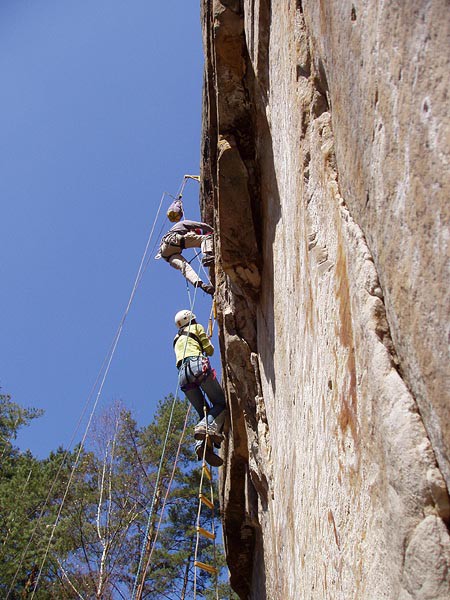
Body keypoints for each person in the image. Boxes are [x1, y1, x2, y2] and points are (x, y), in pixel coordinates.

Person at [173, 309, 226, 467]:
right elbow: (209, 350)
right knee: (220, 404)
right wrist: (207, 342)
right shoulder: (196, 328)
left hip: (183, 376)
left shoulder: (176, 338)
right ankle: (205, 428)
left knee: (203, 412)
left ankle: (201, 445)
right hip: (197, 366)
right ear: (191, 318)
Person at [156, 220, 215, 295]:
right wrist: (213, 230)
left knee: (184, 267)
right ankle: (207, 256)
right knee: (206, 238)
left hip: (166, 254)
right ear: (192, 230)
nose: (195, 235)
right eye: (195, 233)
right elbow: (200, 225)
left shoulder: (176, 229)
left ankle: (202, 285)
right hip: (173, 240)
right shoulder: (182, 224)